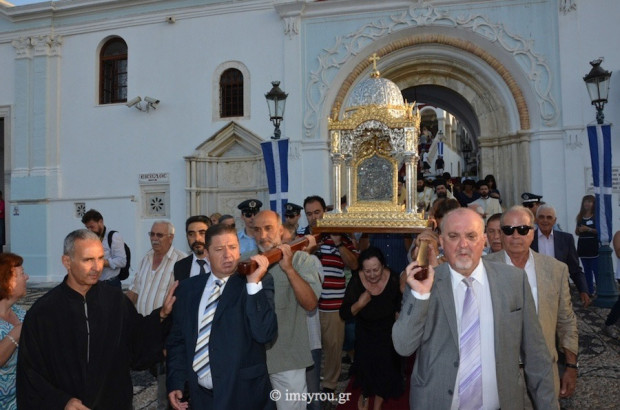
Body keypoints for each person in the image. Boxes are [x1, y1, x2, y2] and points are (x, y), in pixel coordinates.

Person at [392, 208, 558, 410]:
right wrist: (420, 295)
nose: (463, 245)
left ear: (484, 240)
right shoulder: (424, 283)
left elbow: (536, 355)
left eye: (471, 236)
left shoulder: (513, 280)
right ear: (442, 242)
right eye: (454, 236)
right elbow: (403, 346)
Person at [17, 229, 176, 409]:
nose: (97, 267)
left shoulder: (115, 301)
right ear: (67, 262)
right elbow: (30, 372)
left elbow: (136, 345)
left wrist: (161, 315)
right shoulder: (43, 312)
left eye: (100, 258)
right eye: (88, 260)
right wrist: (61, 401)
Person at [166, 224, 278, 410]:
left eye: (233, 247)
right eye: (219, 249)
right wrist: (176, 382)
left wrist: (253, 284)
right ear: (207, 253)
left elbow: (265, 333)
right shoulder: (187, 289)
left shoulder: (256, 283)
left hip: (244, 396)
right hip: (201, 397)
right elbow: (178, 341)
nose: (228, 255)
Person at [485, 206, 579, 400]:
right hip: (497, 374)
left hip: (545, 371)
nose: (515, 235)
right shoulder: (483, 269)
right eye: (509, 230)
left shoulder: (556, 270)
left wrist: (571, 366)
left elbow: (566, 321)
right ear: (501, 234)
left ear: (532, 232)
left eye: (522, 229)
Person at [252, 210, 321, 409]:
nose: (263, 235)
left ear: (281, 230)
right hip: (254, 362)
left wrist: (289, 269)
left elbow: (310, 303)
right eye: (257, 230)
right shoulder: (247, 263)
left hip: (288, 360)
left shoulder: (301, 260)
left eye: (268, 228)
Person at [126, 220, 187, 409]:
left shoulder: (181, 261)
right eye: (151, 234)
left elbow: (183, 302)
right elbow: (134, 290)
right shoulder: (146, 258)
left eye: (159, 235)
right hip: (144, 329)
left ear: (171, 237)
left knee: (165, 384)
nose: (154, 239)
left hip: (165, 331)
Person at [302, 195, 359, 393]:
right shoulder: (300, 238)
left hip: (333, 304)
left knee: (333, 348)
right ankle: (309, 388)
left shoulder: (340, 235)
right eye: (309, 214)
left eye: (317, 212)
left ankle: (329, 386)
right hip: (306, 306)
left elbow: (354, 265)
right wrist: (308, 251)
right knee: (309, 350)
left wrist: (338, 244)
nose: (313, 217)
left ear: (325, 212)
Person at [340, 247, 403, 410]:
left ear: (383, 266)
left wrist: (399, 315)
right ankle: (365, 397)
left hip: (388, 337)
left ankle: (377, 406)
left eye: (376, 270)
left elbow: (400, 304)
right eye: (367, 271)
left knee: (385, 373)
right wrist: (359, 304)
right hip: (365, 336)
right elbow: (344, 313)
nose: (372, 275)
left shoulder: (393, 278)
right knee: (366, 374)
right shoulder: (357, 281)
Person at [531, 204, 591, 307]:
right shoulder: (528, 239)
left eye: (549, 217)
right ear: (536, 219)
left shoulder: (566, 239)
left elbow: (574, 268)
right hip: (535, 291)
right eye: (541, 217)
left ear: (554, 220)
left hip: (560, 292)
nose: (545, 220)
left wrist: (583, 290)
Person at [0, 253, 28, 410]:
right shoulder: (22, 322)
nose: (27, 277)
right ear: (7, 282)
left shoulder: (20, 313)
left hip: (23, 398)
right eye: (22, 274)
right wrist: (17, 333)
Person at [81, 209, 127, 288]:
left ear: (100, 222)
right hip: (93, 283)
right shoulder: (90, 238)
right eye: (87, 228)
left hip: (110, 284)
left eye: (92, 227)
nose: (89, 230)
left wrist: (101, 262)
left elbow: (122, 261)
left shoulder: (114, 236)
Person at [173, 215, 212, 282]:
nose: (197, 239)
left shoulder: (221, 262)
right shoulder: (180, 266)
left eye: (202, 233)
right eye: (191, 234)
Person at [575, 195, 599, 295]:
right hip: (583, 247)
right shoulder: (580, 217)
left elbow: (599, 231)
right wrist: (579, 230)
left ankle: (600, 290)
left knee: (596, 270)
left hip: (593, 247)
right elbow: (576, 232)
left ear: (593, 204)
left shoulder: (596, 217)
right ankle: (589, 291)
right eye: (585, 201)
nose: (587, 204)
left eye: (589, 202)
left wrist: (588, 229)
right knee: (586, 270)